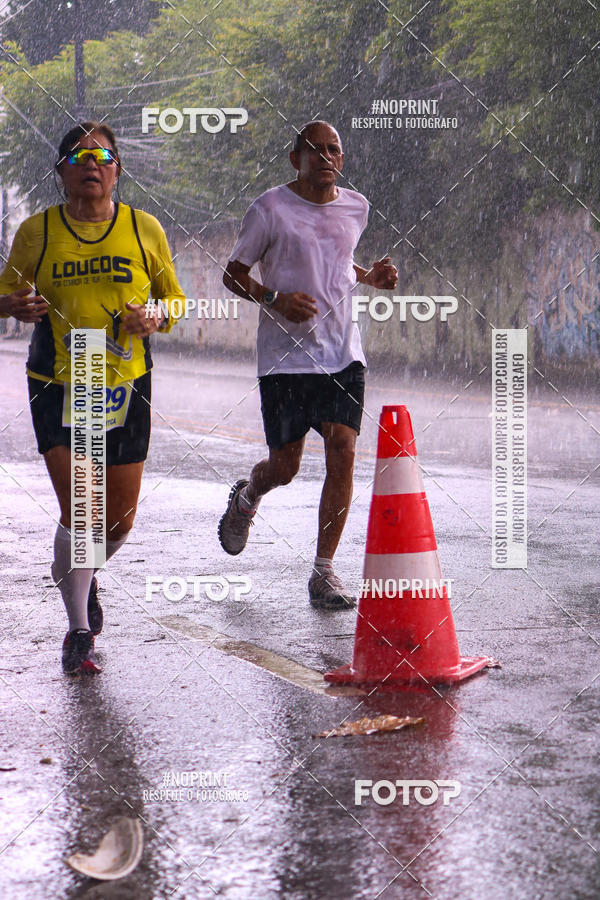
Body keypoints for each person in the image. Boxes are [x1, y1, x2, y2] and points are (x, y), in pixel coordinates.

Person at [0, 121, 185, 673]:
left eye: (103, 156)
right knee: (82, 512)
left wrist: (154, 314)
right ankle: (79, 630)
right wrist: (13, 307)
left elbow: (174, 299)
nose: (92, 164)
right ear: (62, 172)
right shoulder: (38, 232)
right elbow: (2, 295)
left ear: (117, 170)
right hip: (64, 375)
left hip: (126, 379)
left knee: (119, 520)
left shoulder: (144, 228)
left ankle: (84, 575)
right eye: (79, 157)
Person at [219, 120, 397, 609]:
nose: (325, 157)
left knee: (343, 448)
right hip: (284, 360)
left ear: (342, 158)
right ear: (294, 157)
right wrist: (273, 298)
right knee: (285, 466)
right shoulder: (270, 209)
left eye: (333, 149)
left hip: (342, 354)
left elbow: (337, 261)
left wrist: (371, 276)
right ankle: (247, 497)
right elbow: (233, 275)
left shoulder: (356, 207)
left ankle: (323, 571)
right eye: (314, 149)